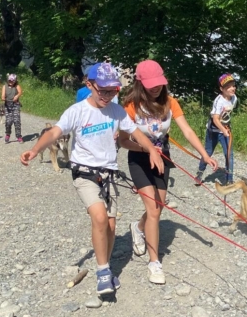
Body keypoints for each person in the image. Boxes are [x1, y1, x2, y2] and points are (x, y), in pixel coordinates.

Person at [20, 63, 164, 294]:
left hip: (109, 174)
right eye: (103, 90)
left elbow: (136, 132)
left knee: (110, 225)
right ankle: (103, 271)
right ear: (90, 85)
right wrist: (35, 150)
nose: (108, 96)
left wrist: (152, 149)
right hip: (84, 173)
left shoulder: (116, 111)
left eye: (113, 91)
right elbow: (55, 132)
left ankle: (105, 266)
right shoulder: (77, 111)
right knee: (98, 217)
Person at [119, 60, 218, 285]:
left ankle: (138, 227)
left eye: (159, 83)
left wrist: (204, 154)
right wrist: (146, 147)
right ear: (140, 82)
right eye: (150, 84)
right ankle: (155, 263)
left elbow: (187, 130)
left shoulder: (170, 103)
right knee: (153, 210)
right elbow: (124, 142)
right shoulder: (131, 106)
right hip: (139, 158)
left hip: (162, 159)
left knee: (159, 207)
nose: (155, 88)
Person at [196, 73, 238, 185]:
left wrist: (226, 129)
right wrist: (223, 131)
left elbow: (227, 115)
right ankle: (200, 173)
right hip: (214, 131)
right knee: (208, 152)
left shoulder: (234, 98)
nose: (232, 88)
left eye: (233, 85)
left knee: (229, 154)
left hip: (225, 129)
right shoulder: (218, 101)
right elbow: (215, 119)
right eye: (228, 87)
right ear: (222, 89)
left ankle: (229, 179)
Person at [1, 74, 23, 143]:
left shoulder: (17, 86)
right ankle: (7, 134)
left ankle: (19, 136)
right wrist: (4, 98)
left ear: (15, 81)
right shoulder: (5, 86)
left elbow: (20, 92)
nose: (11, 82)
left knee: (17, 121)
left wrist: (17, 96)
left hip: (15, 105)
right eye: (10, 80)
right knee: (8, 122)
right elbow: (2, 96)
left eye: (12, 80)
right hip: (8, 106)